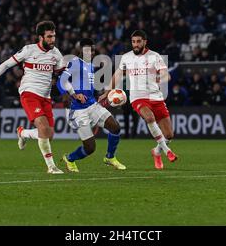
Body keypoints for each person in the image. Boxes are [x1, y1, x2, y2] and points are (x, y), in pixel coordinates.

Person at [0, 21, 66, 174]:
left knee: (48, 135)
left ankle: (23, 133)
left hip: (46, 97)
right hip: (29, 93)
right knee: (44, 129)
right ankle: (51, 167)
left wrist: (67, 91)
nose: (53, 40)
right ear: (41, 37)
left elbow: (61, 75)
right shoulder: (29, 50)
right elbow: (5, 65)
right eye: (49, 37)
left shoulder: (56, 54)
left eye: (54, 36)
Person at [99, 30, 178, 170]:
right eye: (133, 42)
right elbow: (117, 75)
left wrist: (159, 79)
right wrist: (107, 92)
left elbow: (167, 76)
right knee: (149, 117)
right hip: (137, 97)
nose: (135, 45)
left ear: (145, 42)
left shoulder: (155, 56)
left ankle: (157, 151)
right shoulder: (127, 58)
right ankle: (167, 151)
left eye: (138, 42)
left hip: (156, 96)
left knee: (169, 135)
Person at [58, 38, 126, 172]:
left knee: (115, 127)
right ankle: (70, 158)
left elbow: (87, 87)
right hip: (77, 110)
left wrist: (101, 95)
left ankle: (110, 157)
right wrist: (74, 95)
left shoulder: (91, 66)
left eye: (93, 50)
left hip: (92, 104)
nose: (91, 52)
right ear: (81, 50)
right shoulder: (75, 63)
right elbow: (61, 81)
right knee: (90, 148)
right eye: (88, 50)